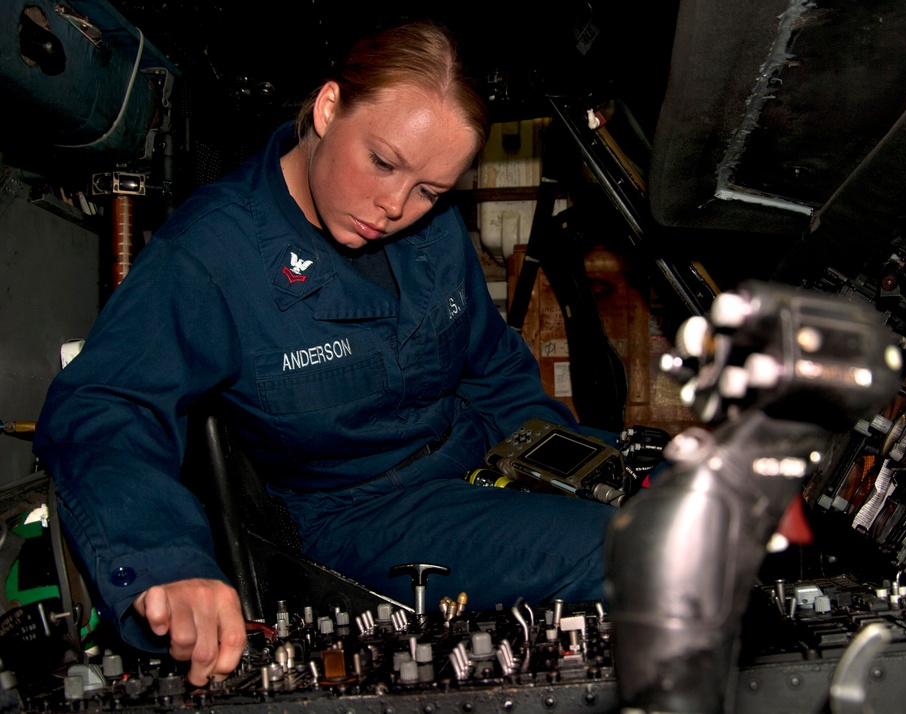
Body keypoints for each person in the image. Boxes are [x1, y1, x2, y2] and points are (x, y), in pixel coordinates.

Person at [33, 20, 615, 686]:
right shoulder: (213, 256)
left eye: (429, 191)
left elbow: (497, 373)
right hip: (367, 514)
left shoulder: (437, 233)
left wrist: (587, 470)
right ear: (329, 107)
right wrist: (165, 562)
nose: (396, 205)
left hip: (480, 455)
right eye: (384, 162)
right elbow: (105, 406)